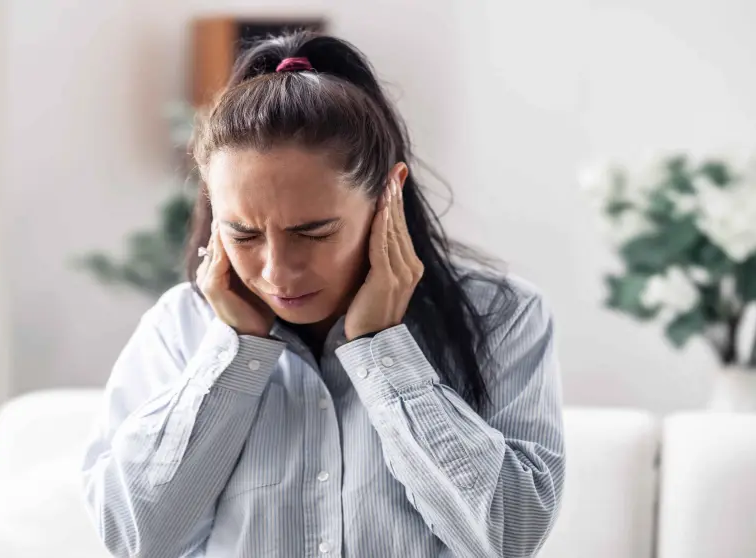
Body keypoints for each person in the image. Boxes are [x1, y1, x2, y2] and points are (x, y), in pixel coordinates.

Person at [81, 31, 564, 558]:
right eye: (242, 234)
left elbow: (507, 537)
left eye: (313, 233)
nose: (277, 272)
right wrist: (235, 354)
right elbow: (135, 540)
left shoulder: (502, 317)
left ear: (389, 195)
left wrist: (383, 350)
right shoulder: (178, 330)